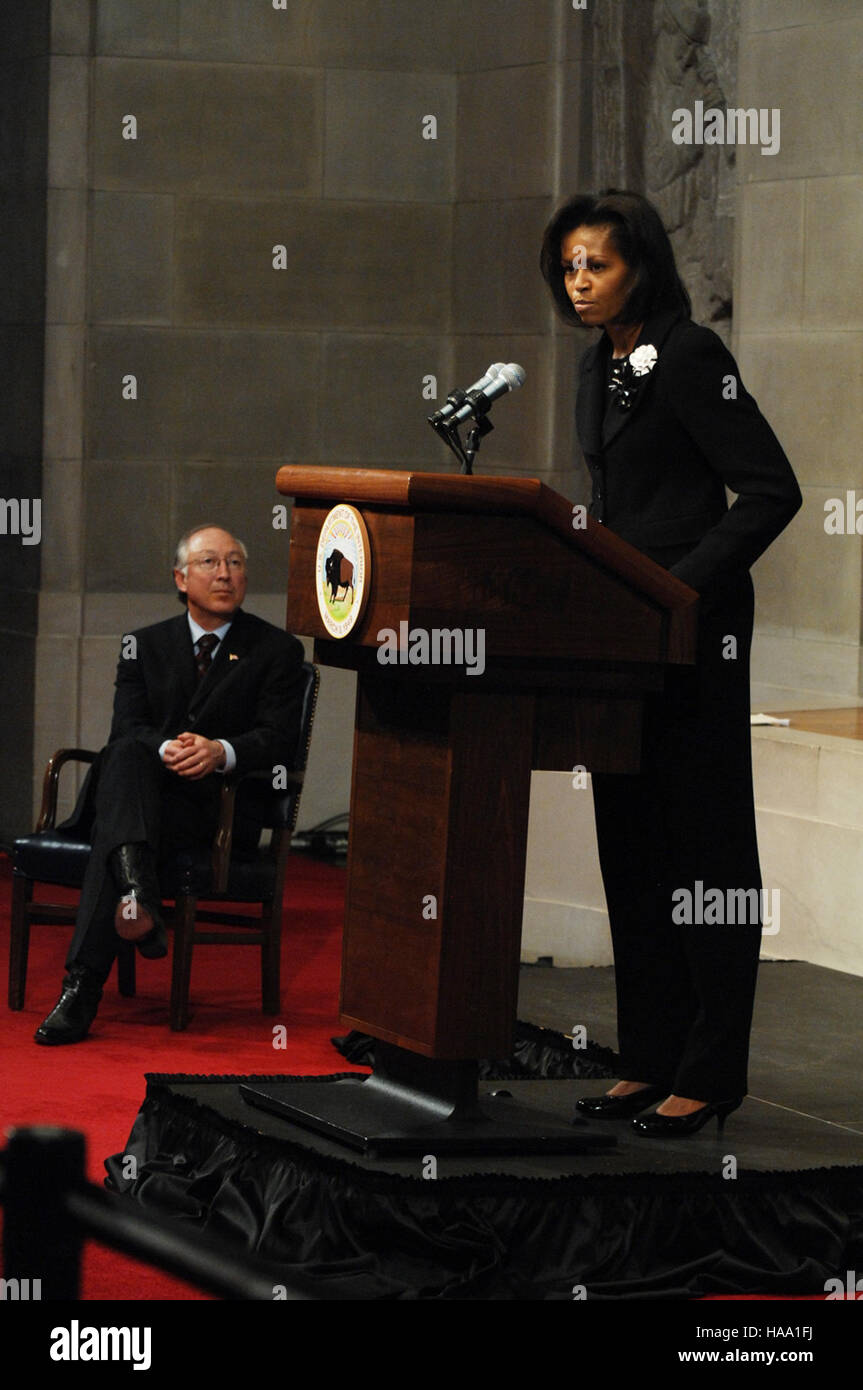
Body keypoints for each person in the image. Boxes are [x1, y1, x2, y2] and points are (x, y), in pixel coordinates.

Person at [539, 190, 802, 1136]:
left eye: (596, 265)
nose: (578, 281)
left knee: (704, 848)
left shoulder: (690, 354)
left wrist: (677, 586)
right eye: (568, 265)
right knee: (634, 848)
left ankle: (710, 1070)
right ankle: (648, 1055)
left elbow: (772, 490)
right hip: (623, 639)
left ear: (639, 269)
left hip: (693, 632)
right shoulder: (593, 364)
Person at [34, 523, 306, 1045]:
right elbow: (127, 727)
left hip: (216, 813)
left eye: (235, 563)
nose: (225, 574)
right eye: (210, 563)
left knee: (120, 815)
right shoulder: (143, 645)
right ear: (181, 578)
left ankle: (87, 980)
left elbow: (276, 740)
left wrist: (219, 752)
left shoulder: (275, 650)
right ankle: (135, 894)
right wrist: (166, 749)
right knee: (130, 751)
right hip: (143, 794)